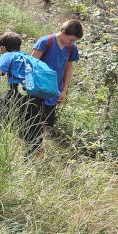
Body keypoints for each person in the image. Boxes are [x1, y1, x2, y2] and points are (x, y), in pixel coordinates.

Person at [28, 19, 83, 148]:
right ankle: (29, 146)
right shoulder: (45, 42)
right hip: (37, 90)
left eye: (74, 41)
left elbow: (68, 69)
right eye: (71, 39)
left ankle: (39, 148)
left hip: (53, 92)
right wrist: (28, 87)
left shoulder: (71, 48)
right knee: (32, 120)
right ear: (63, 32)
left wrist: (64, 90)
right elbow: (30, 65)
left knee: (45, 122)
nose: (72, 43)